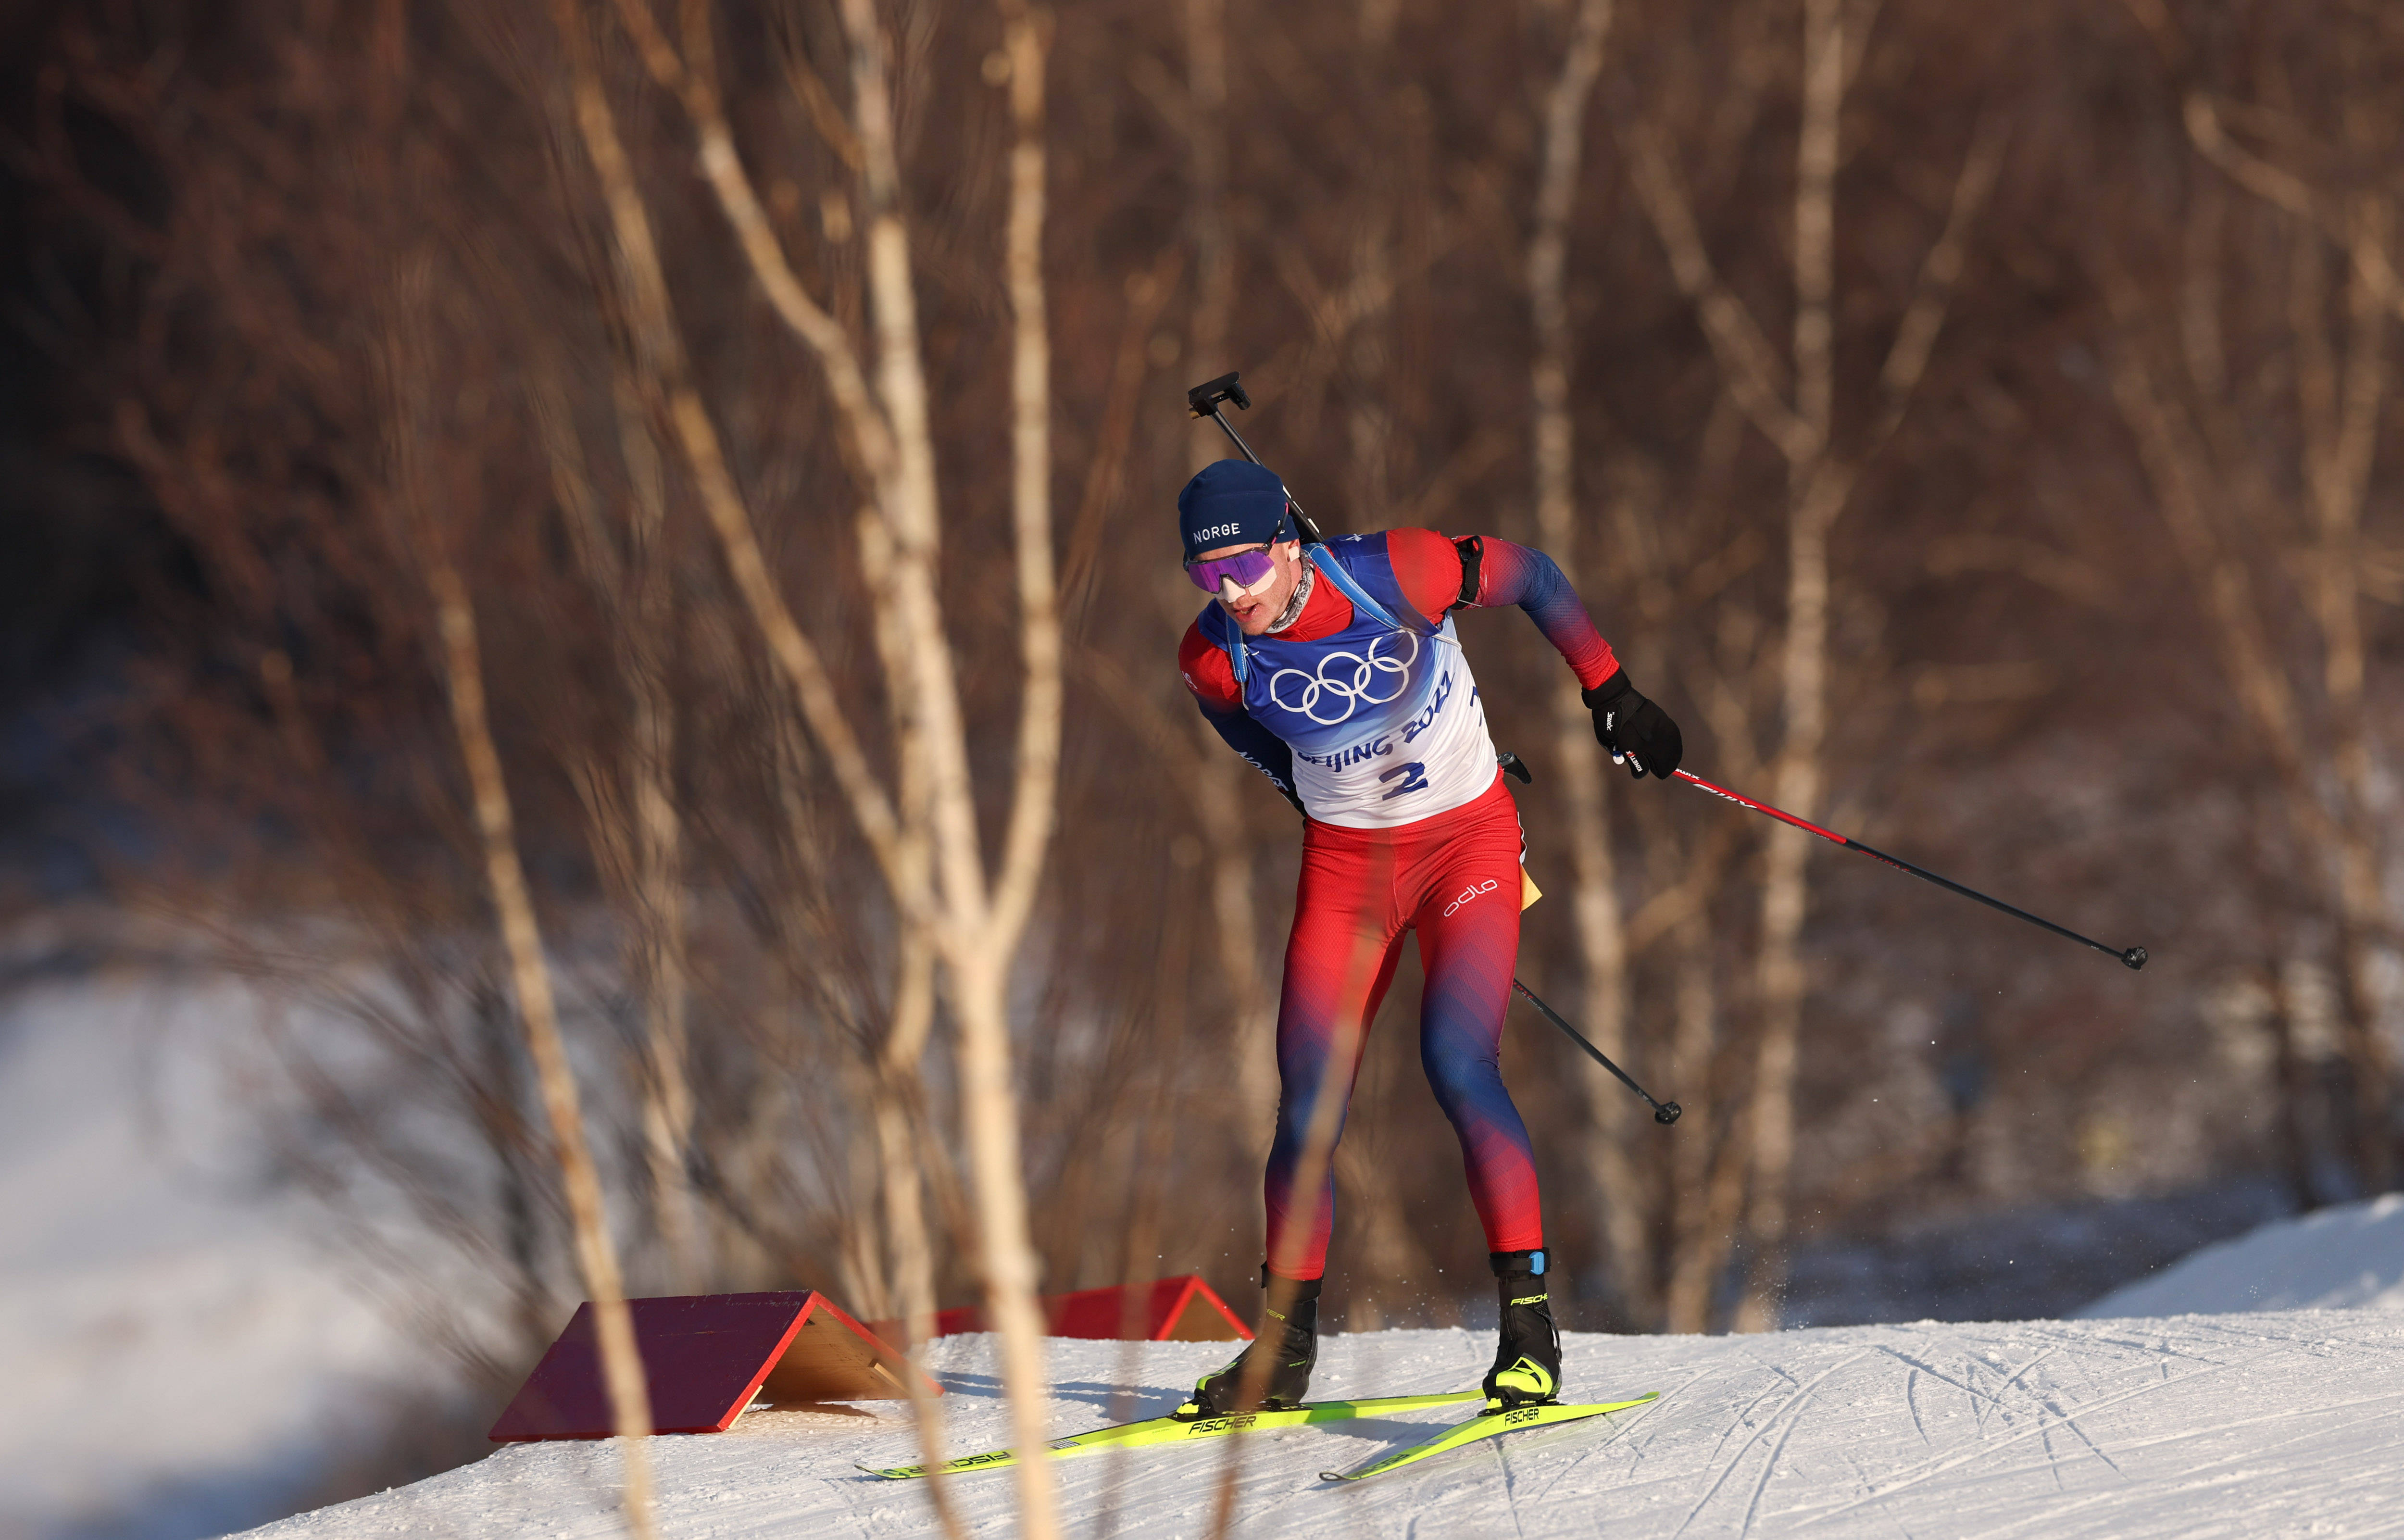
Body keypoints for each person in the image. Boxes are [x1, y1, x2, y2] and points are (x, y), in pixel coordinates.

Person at [1170, 458, 1681, 1418]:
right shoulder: (1213, 658)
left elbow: (1530, 574)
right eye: (1208, 578)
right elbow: (1246, 736)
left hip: (1467, 848)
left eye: (1242, 567)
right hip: (1345, 874)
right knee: (1309, 1106)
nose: (1229, 593)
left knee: (1457, 1063)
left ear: (1289, 545)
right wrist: (1310, 780)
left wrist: (1608, 688)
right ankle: (1282, 1350)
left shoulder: (1395, 571)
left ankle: (1529, 1334)